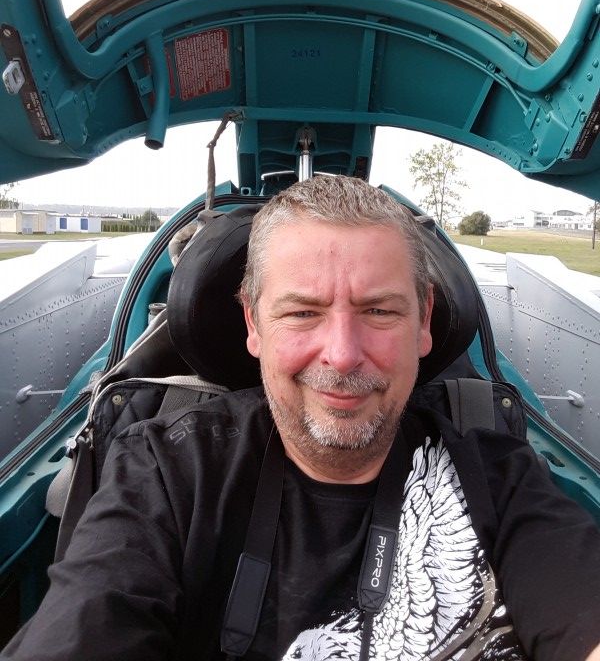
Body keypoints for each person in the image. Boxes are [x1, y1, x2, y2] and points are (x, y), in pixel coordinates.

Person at [2, 175, 600, 661]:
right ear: (253, 324)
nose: (342, 354)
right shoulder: (164, 473)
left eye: (379, 311)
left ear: (424, 322)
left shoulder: (500, 479)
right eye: (302, 313)